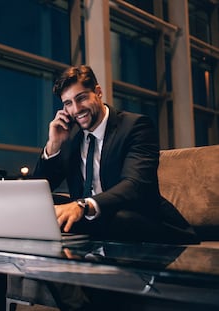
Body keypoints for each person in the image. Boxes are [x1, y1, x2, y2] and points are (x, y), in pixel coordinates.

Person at [32, 64, 198, 310]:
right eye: (68, 103)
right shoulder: (72, 140)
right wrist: (53, 145)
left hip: (143, 222)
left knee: (115, 217)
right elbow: (40, 188)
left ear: (97, 92)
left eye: (81, 98)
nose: (76, 110)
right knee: (43, 209)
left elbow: (135, 186)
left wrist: (82, 205)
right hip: (96, 228)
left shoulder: (135, 126)